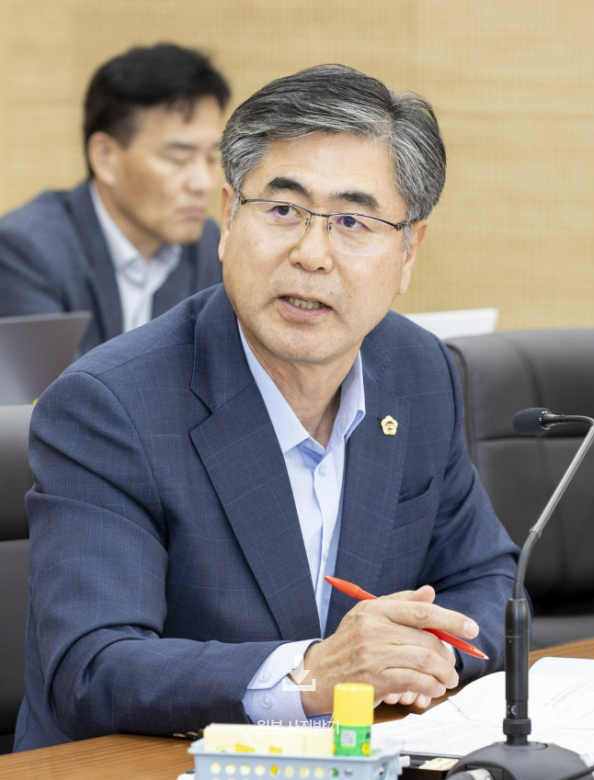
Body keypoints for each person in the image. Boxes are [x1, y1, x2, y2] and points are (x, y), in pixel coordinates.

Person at [14, 64, 519, 751]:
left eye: (353, 221)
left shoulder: (418, 370)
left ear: (408, 251)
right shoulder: (110, 405)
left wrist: (420, 656)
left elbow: (485, 577)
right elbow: (92, 669)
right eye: (282, 210)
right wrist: (313, 675)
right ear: (228, 218)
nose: (311, 254)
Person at [0, 43, 229, 356]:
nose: (203, 183)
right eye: (178, 158)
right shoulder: (28, 251)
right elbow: (53, 385)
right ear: (105, 157)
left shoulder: (210, 246)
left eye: (213, 158)